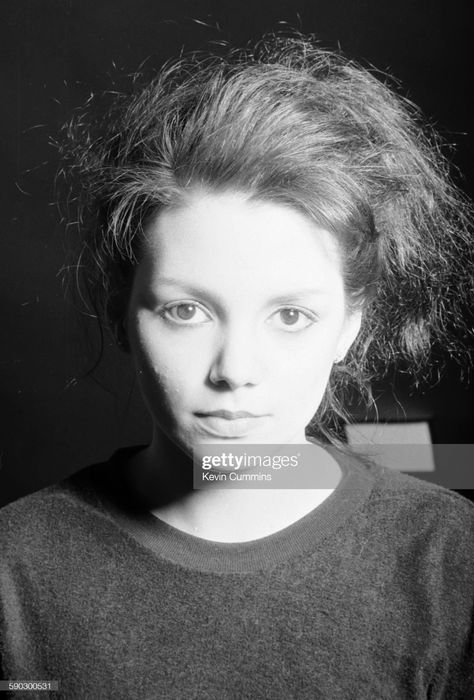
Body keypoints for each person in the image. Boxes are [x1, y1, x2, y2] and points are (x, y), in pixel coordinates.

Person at [1, 33, 473, 698]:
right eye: (187, 312)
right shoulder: (14, 564)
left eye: (290, 316)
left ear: (351, 328)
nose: (235, 370)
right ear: (121, 311)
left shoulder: (452, 559)